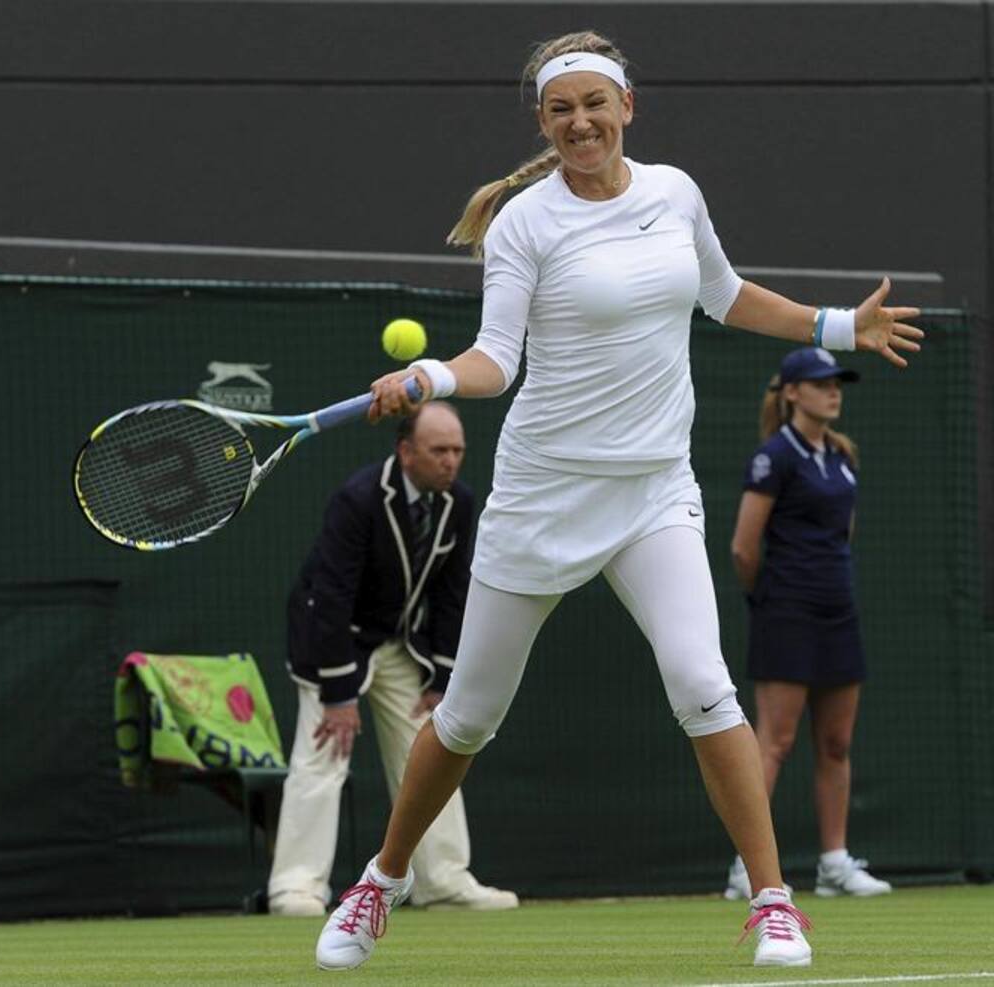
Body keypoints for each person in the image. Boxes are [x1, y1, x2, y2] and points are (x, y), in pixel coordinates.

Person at [313, 29, 922, 972]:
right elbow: (496, 359)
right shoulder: (524, 224)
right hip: (542, 496)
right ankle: (379, 882)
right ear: (544, 123)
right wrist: (432, 374)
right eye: (561, 110)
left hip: (652, 493)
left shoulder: (676, 193)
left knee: (702, 682)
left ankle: (773, 903)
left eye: (596, 104)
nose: (580, 122)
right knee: (468, 715)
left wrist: (838, 322)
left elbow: (722, 295)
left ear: (627, 107)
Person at [267, 401, 519, 917]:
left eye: (458, 451)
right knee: (324, 753)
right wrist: (339, 694)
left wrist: (441, 678)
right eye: (439, 451)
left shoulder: (459, 501)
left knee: (433, 749)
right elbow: (330, 595)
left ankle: (443, 881)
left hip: (401, 645)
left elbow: (452, 593)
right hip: (332, 641)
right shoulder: (358, 499)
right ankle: (296, 887)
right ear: (406, 452)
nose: (451, 462)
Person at [723, 347, 893, 901]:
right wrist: (770, 602)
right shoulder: (774, 458)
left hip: (838, 611)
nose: (833, 390)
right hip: (786, 611)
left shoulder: (843, 456)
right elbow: (744, 550)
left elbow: (846, 535)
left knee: (837, 742)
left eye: (837, 382)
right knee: (775, 742)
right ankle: (747, 870)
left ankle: (834, 864)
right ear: (792, 392)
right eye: (821, 383)